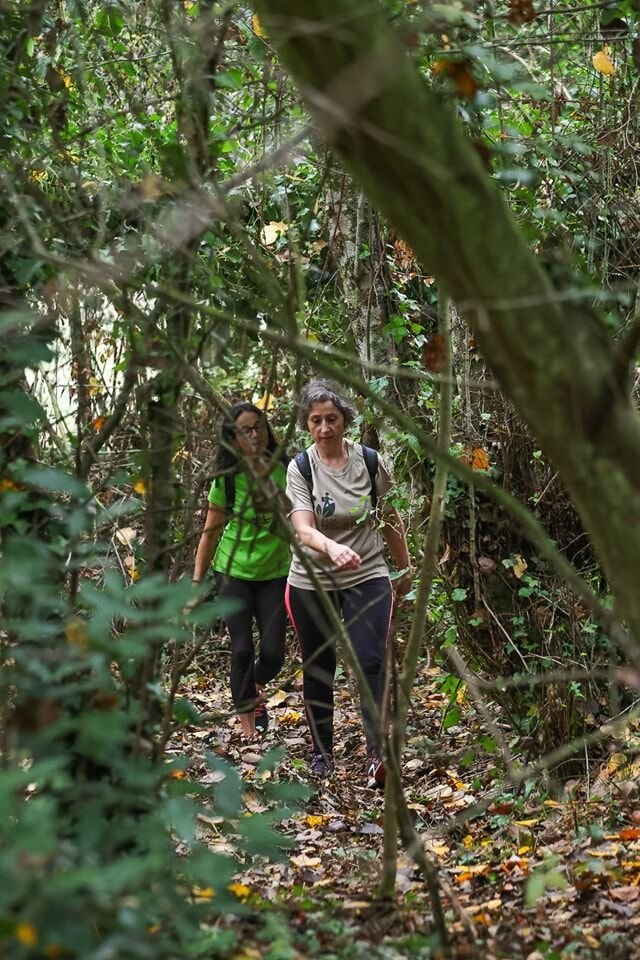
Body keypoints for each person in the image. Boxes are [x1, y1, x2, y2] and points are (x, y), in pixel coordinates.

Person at [285, 379, 412, 787]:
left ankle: (378, 754)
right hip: (312, 580)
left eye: (332, 419)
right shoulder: (301, 468)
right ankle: (322, 754)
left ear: (346, 421)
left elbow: (390, 518)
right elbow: (303, 529)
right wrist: (330, 548)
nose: (325, 429)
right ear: (307, 425)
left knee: (370, 661)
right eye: (316, 421)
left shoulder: (370, 462)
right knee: (318, 667)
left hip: (367, 574)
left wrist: (404, 567)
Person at [190, 403, 290, 739]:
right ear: (233, 438)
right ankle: (249, 728)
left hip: (275, 572)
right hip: (232, 572)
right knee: (242, 648)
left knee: (274, 654)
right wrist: (195, 583)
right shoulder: (227, 481)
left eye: (259, 427)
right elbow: (209, 533)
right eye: (246, 430)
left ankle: (256, 685)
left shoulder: (286, 469)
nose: (255, 435)